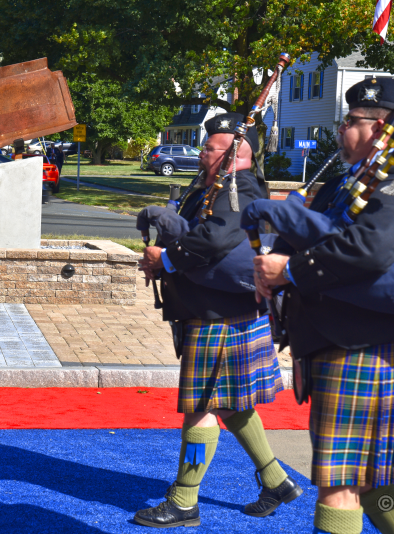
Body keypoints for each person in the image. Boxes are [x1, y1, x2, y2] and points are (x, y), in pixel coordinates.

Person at [253, 77, 394, 534]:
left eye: (352, 122)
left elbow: (371, 251)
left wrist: (291, 271)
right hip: (339, 342)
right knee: (374, 478)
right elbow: (318, 236)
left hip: (365, 346)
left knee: (339, 484)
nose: (341, 130)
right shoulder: (346, 182)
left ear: (382, 128)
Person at [134, 112, 303, 529]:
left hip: (221, 318)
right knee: (230, 405)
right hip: (211, 314)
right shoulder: (208, 186)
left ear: (232, 155)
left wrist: (167, 259)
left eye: (210, 148)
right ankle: (276, 481)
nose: (202, 152)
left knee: (200, 408)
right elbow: (191, 229)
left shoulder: (242, 189)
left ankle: (184, 501)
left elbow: (214, 239)